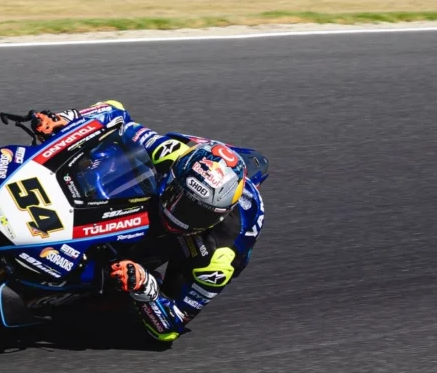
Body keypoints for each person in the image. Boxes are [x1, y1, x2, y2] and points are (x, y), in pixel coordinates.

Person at [28, 101, 265, 342]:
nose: (178, 215)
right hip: (191, 166)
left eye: (195, 213)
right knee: (105, 156)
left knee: (114, 301)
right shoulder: (172, 153)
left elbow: (170, 328)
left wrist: (145, 288)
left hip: (198, 244)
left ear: (220, 214)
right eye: (178, 198)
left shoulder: (218, 260)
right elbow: (116, 114)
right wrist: (67, 119)